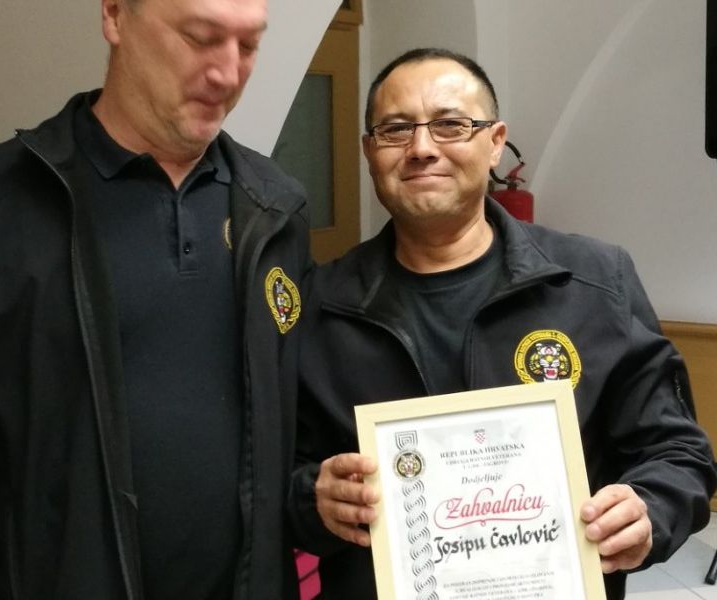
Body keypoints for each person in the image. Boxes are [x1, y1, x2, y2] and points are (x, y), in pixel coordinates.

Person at [289, 47, 717, 600]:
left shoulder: (595, 283)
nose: (422, 148)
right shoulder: (318, 306)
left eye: (450, 125)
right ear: (370, 151)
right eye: (395, 129)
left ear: (494, 143)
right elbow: (266, 476)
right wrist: (313, 498)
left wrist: (650, 509)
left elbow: (678, 453)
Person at [0, 0, 311, 598]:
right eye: (200, 37)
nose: (228, 73)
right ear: (115, 15)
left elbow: (295, 436)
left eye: (249, 45)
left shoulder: (277, 209)